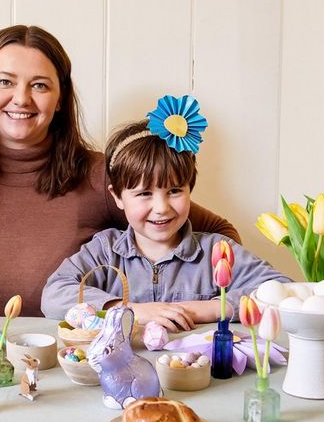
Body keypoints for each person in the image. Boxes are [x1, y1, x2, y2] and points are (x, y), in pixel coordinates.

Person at [0, 25, 241, 317]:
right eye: (5, 82)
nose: (22, 98)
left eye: (39, 85)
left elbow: (218, 234)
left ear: (61, 98)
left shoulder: (100, 175)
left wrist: (170, 310)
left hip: (78, 358)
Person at [41, 108, 289, 331]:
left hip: (199, 376)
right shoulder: (105, 250)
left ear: (190, 188)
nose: (161, 208)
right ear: (117, 197)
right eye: (144, 194)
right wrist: (129, 309)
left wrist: (211, 309)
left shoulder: (217, 251)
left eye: (174, 191)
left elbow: (285, 293)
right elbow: (54, 295)